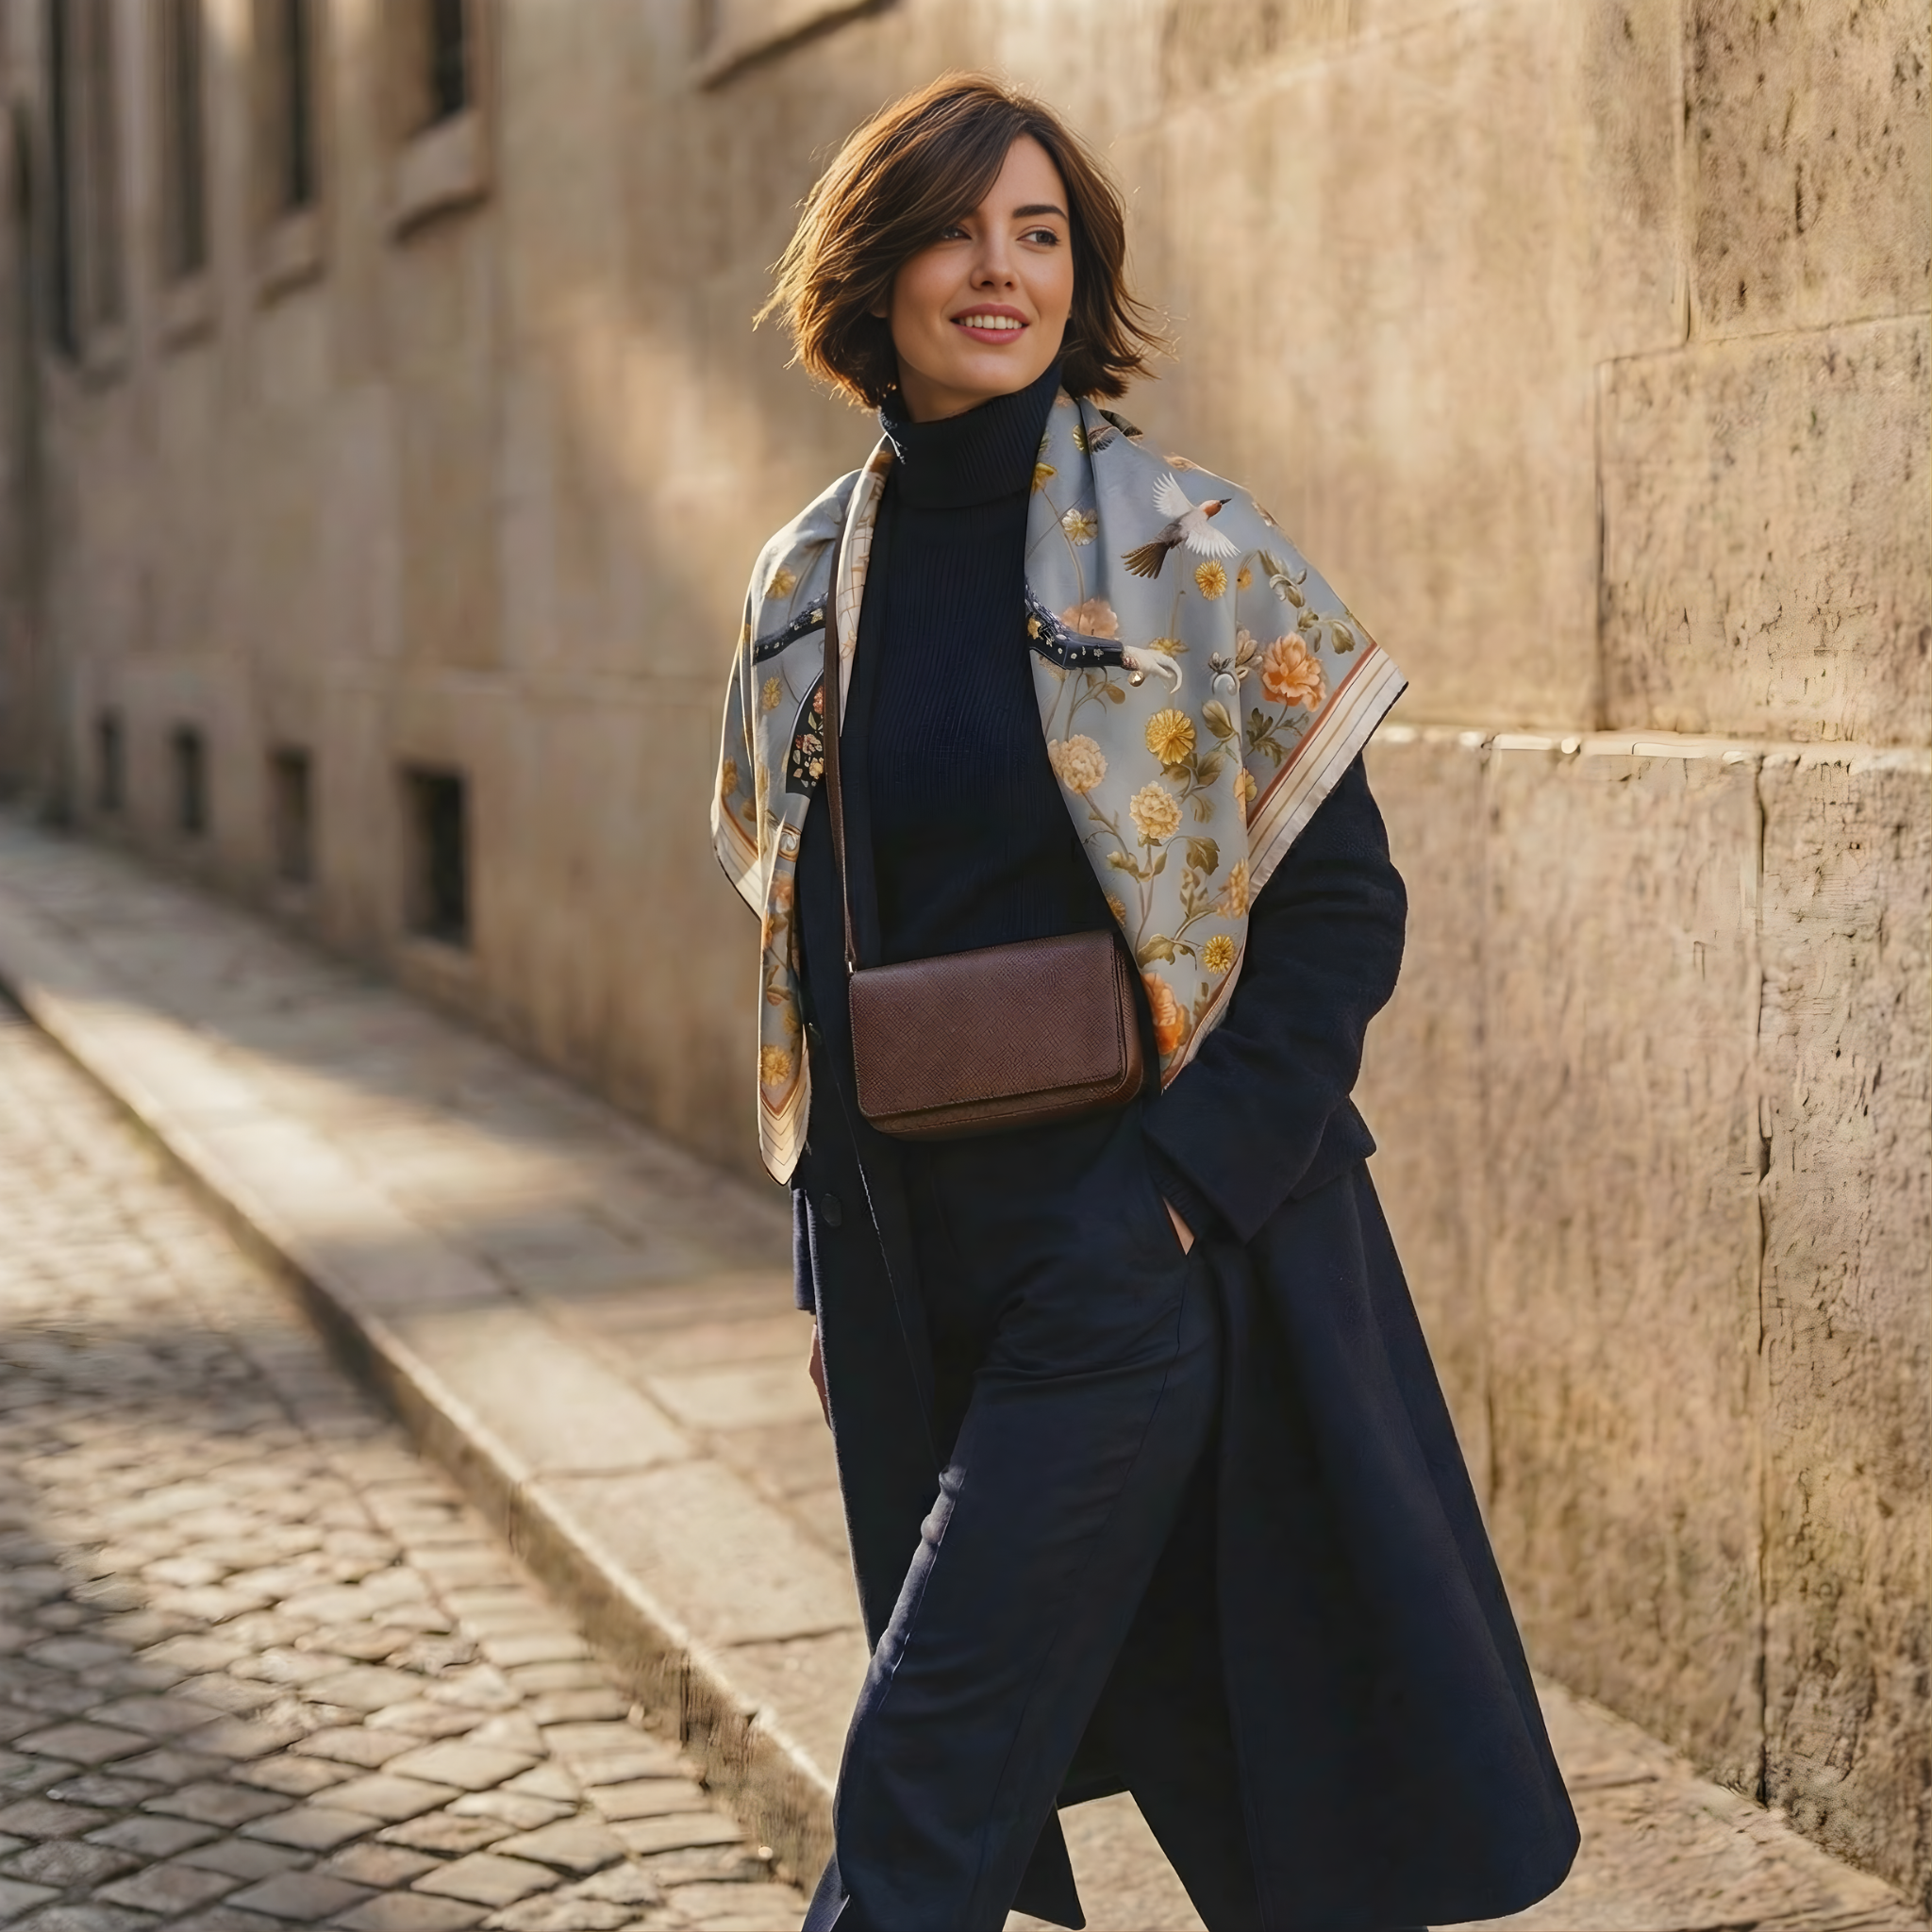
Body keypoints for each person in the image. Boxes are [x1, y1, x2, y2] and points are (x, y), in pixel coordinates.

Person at [712, 74, 1578, 1932]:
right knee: (1230, 1770)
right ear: (876, 272)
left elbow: (1340, 910)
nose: (998, 270)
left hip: (1138, 1256)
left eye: (1041, 234)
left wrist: (1171, 1194)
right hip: (918, 1261)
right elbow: (809, 950)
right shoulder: (801, 589)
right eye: (958, 229)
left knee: (930, 1763)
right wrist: (830, 1273)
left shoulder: (1191, 548)